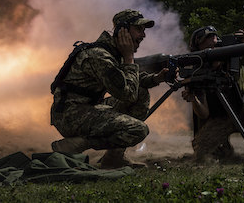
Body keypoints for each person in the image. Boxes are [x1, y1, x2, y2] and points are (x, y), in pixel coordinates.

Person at [50, 9, 167, 169]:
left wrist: (157, 78)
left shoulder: (111, 53)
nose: (143, 35)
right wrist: (129, 58)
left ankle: (114, 158)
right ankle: (79, 143)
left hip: (86, 108)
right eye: (139, 29)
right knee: (138, 130)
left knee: (141, 92)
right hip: (70, 115)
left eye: (144, 30)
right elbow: (128, 93)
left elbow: (130, 83)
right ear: (122, 30)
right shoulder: (99, 56)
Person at [181, 26, 244, 165]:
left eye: (216, 43)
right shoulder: (196, 72)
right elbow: (203, 113)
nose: (214, 46)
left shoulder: (234, 57)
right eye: (208, 45)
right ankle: (224, 148)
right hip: (220, 120)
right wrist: (194, 100)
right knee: (202, 154)